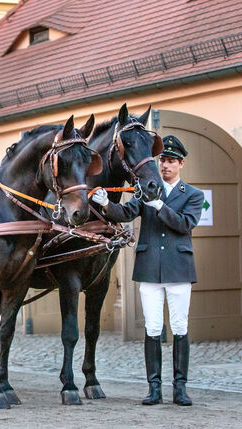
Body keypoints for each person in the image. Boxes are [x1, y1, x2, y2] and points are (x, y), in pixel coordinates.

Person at [92, 135, 204, 406]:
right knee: (153, 328)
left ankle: (180, 387)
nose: (165, 166)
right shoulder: (145, 190)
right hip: (150, 268)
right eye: (162, 160)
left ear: (181, 164)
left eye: (170, 161)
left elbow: (185, 224)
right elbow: (125, 212)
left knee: (179, 327)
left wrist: (159, 206)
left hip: (178, 268)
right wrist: (106, 204)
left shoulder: (193, 195)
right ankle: (154, 387)